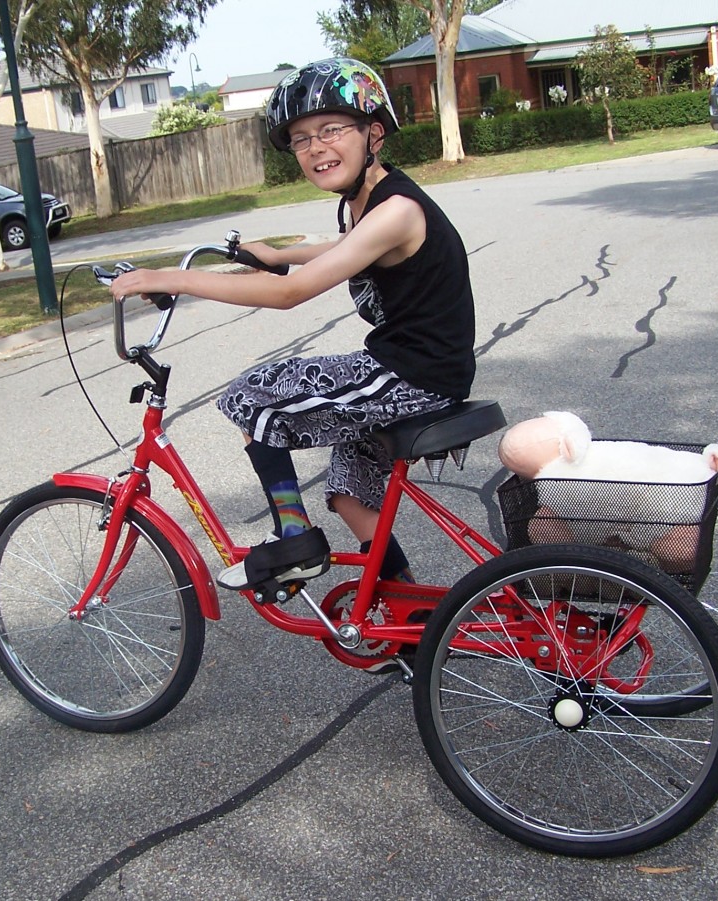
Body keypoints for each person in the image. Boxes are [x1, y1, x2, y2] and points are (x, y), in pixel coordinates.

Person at [110, 57, 476, 599]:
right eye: (301, 139)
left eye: (332, 130)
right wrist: (279, 254)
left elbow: (290, 295)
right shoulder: (369, 202)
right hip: (419, 373)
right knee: (349, 492)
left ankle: (294, 539)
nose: (316, 147)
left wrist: (175, 278)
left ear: (373, 132)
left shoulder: (397, 208)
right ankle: (413, 615)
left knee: (252, 395)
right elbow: (343, 251)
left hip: (411, 377)